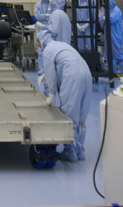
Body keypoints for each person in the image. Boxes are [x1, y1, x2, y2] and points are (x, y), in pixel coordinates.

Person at [39, 30, 92, 162]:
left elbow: (51, 76)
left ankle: (70, 153)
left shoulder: (47, 51)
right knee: (81, 117)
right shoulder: (60, 45)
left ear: (41, 41)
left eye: (37, 42)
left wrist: (51, 96)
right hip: (86, 73)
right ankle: (80, 152)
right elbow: (62, 64)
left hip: (72, 76)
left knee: (70, 114)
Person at [99, 0, 123, 73]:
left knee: (119, 56)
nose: (106, 2)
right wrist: (105, 18)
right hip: (108, 35)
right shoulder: (105, 10)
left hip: (116, 35)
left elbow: (110, 20)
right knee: (111, 56)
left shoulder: (117, 10)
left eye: (107, 0)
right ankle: (113, 74)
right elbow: (100, 20)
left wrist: (105, 18)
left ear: (111, 0)